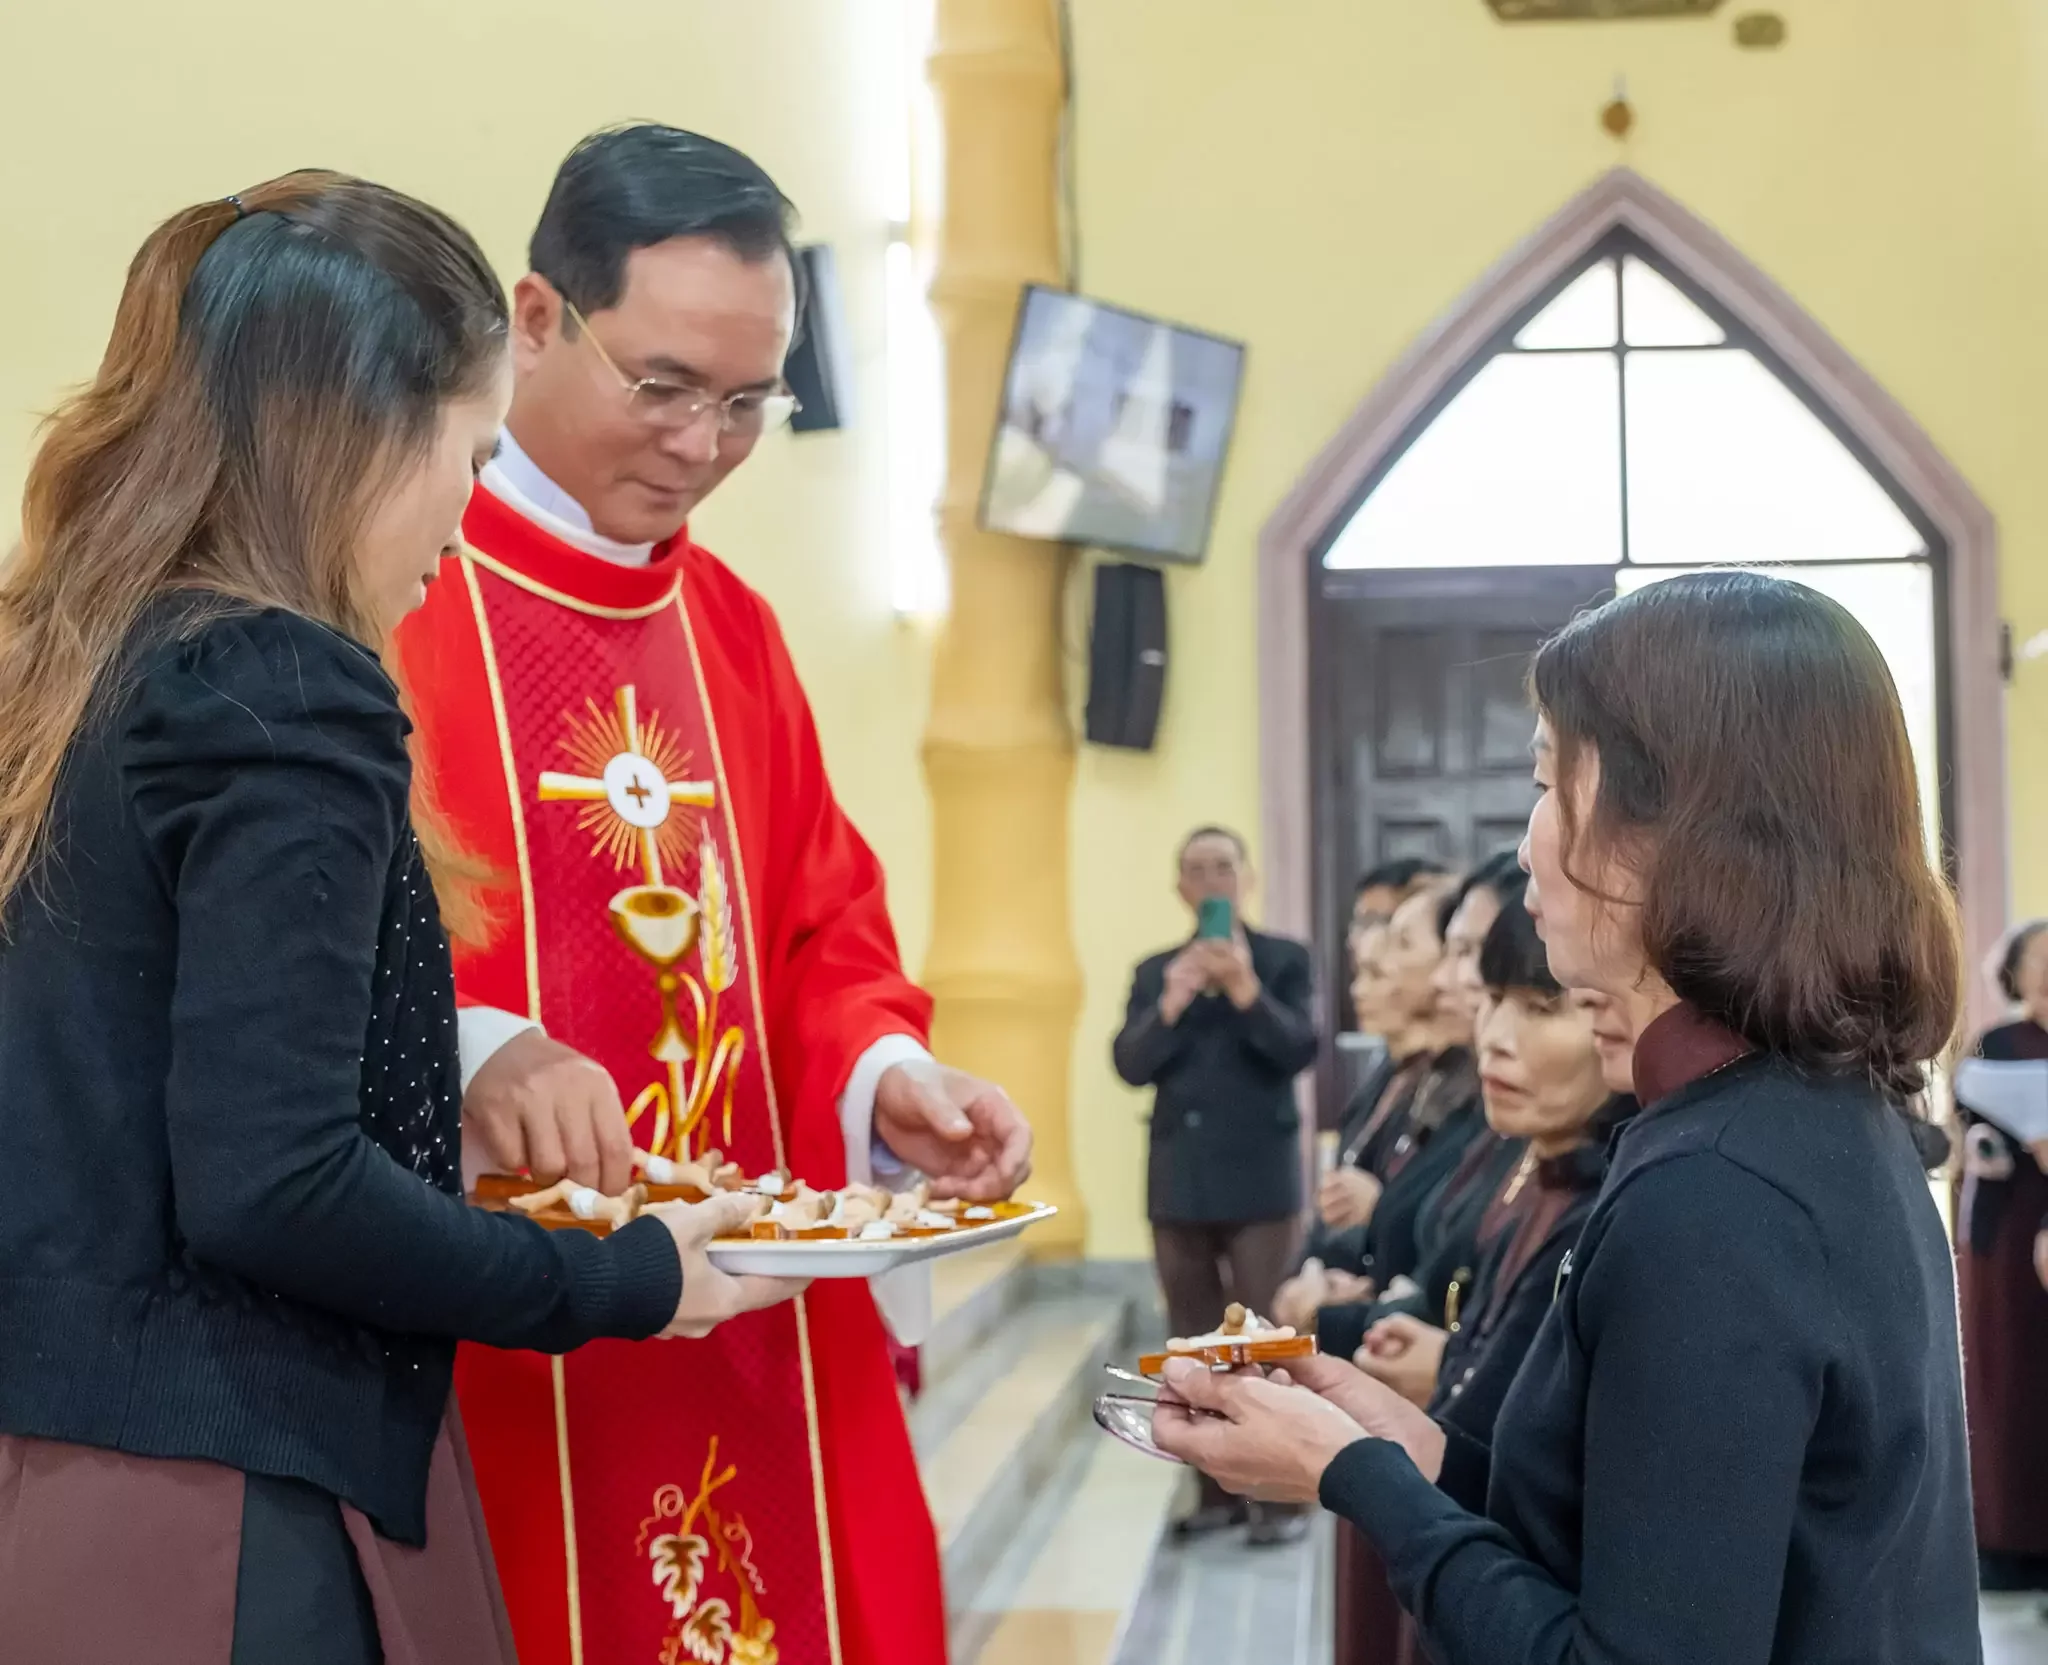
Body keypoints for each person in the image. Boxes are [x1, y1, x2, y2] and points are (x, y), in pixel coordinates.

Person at [0, 172, 796, 1664]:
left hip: (58, 1475)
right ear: (362, 432)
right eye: (471, 449)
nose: (468, 507)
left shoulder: (87, 658)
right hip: (225, 1496)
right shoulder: (287, 686)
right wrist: (628, 1276)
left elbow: (123, 1082)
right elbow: (272, 1184)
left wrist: (433, 1101)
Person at [394, 127, 1031, 1665]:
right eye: (663, 384)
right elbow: (303, 945)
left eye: (748, 403)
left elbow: (820, 926)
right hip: (500, 1340)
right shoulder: (400, 591)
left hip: (750, 1339)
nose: (700, 445)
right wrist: (472, 1047)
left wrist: (892, 1081)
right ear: (537, 320)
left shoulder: (732, 629)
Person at [1156, 572, 1979, 1664]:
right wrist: (1401, 1445)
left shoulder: (1720, 1189)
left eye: (1546, 781)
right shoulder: (1788, 1115)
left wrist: (1346, 1477)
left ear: (1671, 829)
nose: (1528, 840)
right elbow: (1637, 1532)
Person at [1113, 825, 1317, 1542]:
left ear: (1247, 879)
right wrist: (1171, 1001)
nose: (1211, 880)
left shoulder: (1284, 960)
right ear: (1179, 888)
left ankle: (1282, 1499)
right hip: (1181, 1183)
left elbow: (1298, 1048)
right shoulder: (1154, 971)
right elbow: (1129, 1063)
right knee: (1191, 1344)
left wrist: (1245, 989)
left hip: (1260, 1181)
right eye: (1195, 869)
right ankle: (1216, 1494)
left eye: (1223, 866)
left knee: (1264, 1339)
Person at [1958, 918, 2048, 1591]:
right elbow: (1967, 1127)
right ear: (2014, 972)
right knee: (2008, 1376)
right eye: (2036, 959)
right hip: (2007, 1230)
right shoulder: (1995, 1042)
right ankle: (2006, 1542)